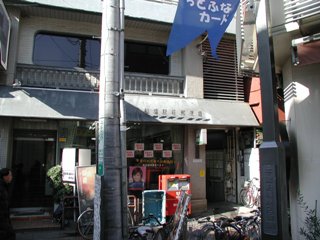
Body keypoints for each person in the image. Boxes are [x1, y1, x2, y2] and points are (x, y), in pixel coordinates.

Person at [0, 168, 16, 240]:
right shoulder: (1, 188)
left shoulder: (4, 186)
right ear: (5, 177)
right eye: (10, 175)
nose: (11, 177)